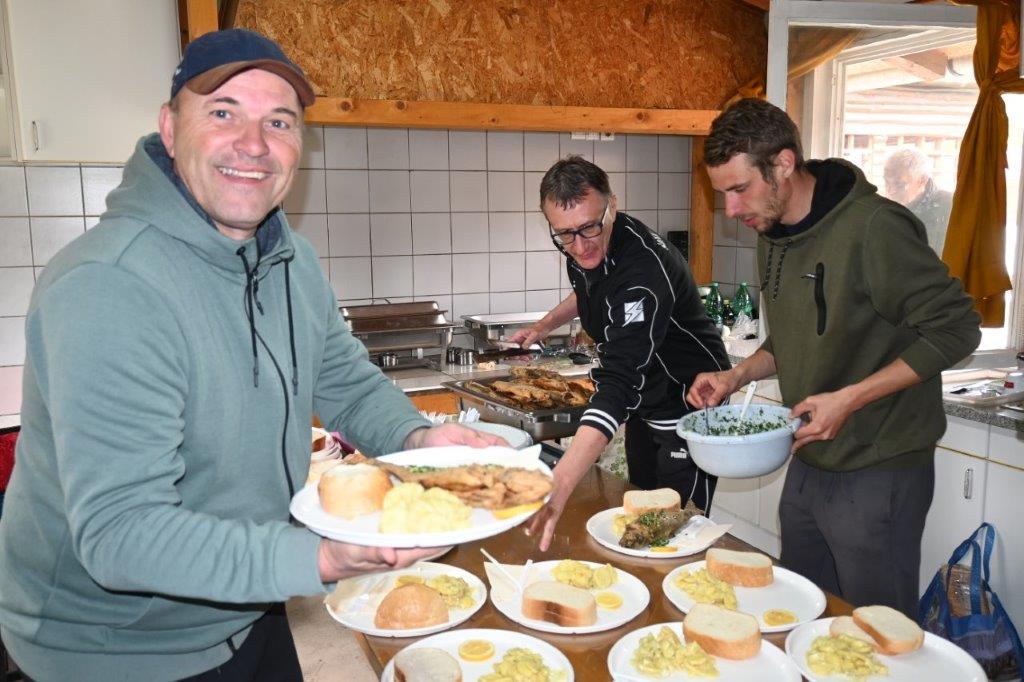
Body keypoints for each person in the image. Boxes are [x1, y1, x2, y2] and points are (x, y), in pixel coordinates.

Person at [0, 29, 503, 682]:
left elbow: (344, 380)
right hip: (117, 648)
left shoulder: (289, 259)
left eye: (279, 121)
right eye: (223, 112)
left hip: (248, 599)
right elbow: (122, 533)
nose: (254, 143)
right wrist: (320, 557)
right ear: (169, 128)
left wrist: (418, 438)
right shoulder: (108, 286)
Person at [688, 98, 981, 618]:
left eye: (739, 189)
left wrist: (849, 399)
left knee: (876, 630)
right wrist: (737, 375)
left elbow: (957, 328)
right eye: (723, 193)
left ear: (782, 164)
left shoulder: (874, 228)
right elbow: (795, 338)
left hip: (878, 462)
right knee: (802, 612)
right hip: (810, 455)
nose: (731, 209)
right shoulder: (773, 234)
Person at [511, 156, 730, 552]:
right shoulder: (588, 248)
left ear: (612, 204)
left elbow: (619, 380)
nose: (580, 246)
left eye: (589, 228)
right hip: (646, 403)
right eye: (565, 235)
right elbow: (590, 290)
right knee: (637, 514)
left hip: (689, 404)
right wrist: (544, 325)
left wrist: (560, 483)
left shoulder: (642, 271)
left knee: (675, 534)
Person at [883, 148, 953, 253]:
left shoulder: (950, 207)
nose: (890, 190)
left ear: (922, 180)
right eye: (886, 182)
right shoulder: (885, 207)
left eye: (899, 184)